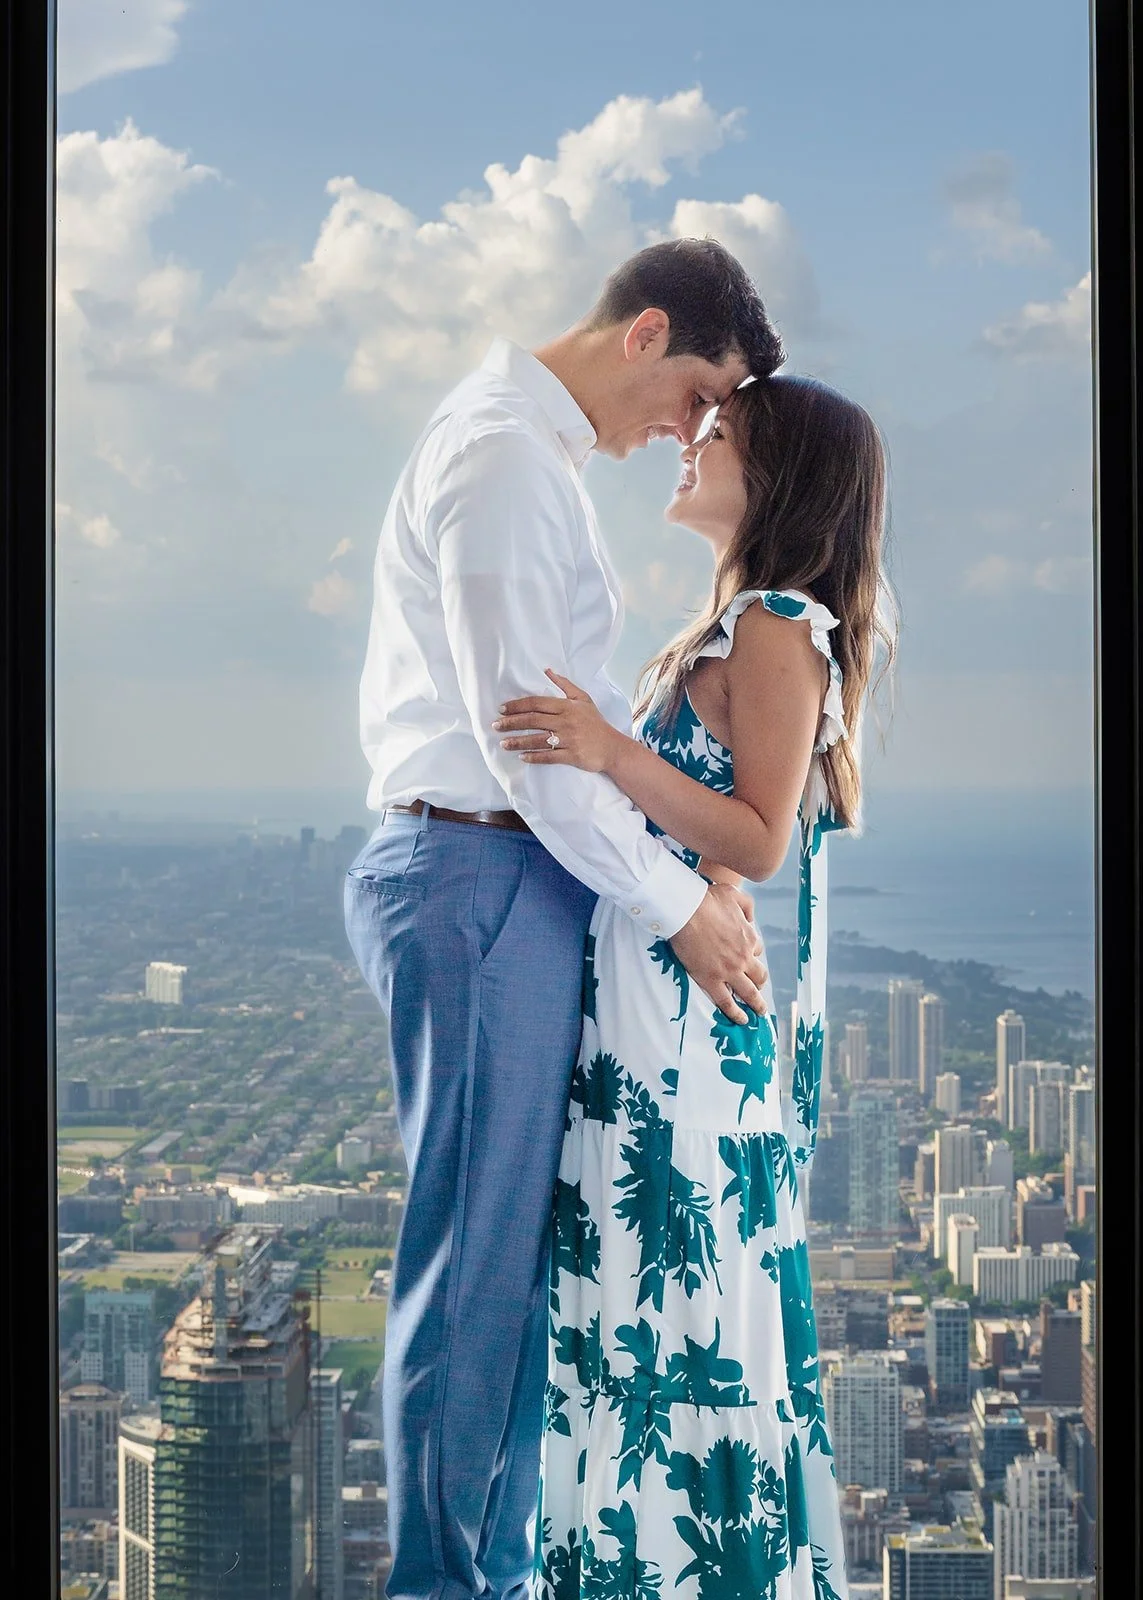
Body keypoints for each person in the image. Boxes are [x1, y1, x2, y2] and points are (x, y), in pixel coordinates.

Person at [343, 239, 785, 1600]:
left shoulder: (534, 462)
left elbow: (571, 745)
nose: (689, 429)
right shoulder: (501, 460)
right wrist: (678, 913)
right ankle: (446, 1584)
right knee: (473, 1265)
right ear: (646, 332)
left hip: (507, 880)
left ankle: (493, 1570)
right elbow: (532, 750)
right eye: (697, 392)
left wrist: (691, 872)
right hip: (474, 873)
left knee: (510, 1264)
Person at [493, 374, 894, 1600]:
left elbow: (761, 835)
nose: (691, 439)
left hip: (679, 1041)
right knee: (629, 1326)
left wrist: (609, 752)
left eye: (720, 433)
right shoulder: (725, 626)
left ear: (779, 479)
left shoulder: (778, 621)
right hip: (647, 1019)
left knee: (671, 1335)